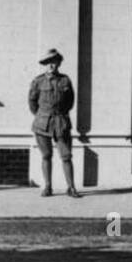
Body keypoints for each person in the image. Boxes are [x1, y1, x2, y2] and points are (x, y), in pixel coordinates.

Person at [28, 48, 81, 197]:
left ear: (59, 63)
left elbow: (70, 102)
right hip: (42, 123)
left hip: (60, 123)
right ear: (44, 65)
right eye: (47, 63)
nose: (51, 65)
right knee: (46, 155)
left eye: (54, 62)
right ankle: (47, 187)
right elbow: (32, 102)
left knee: (66, 156)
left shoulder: (65, 80)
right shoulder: (38, 81)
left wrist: (60, 115)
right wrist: (42, 115)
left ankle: (71, 187)